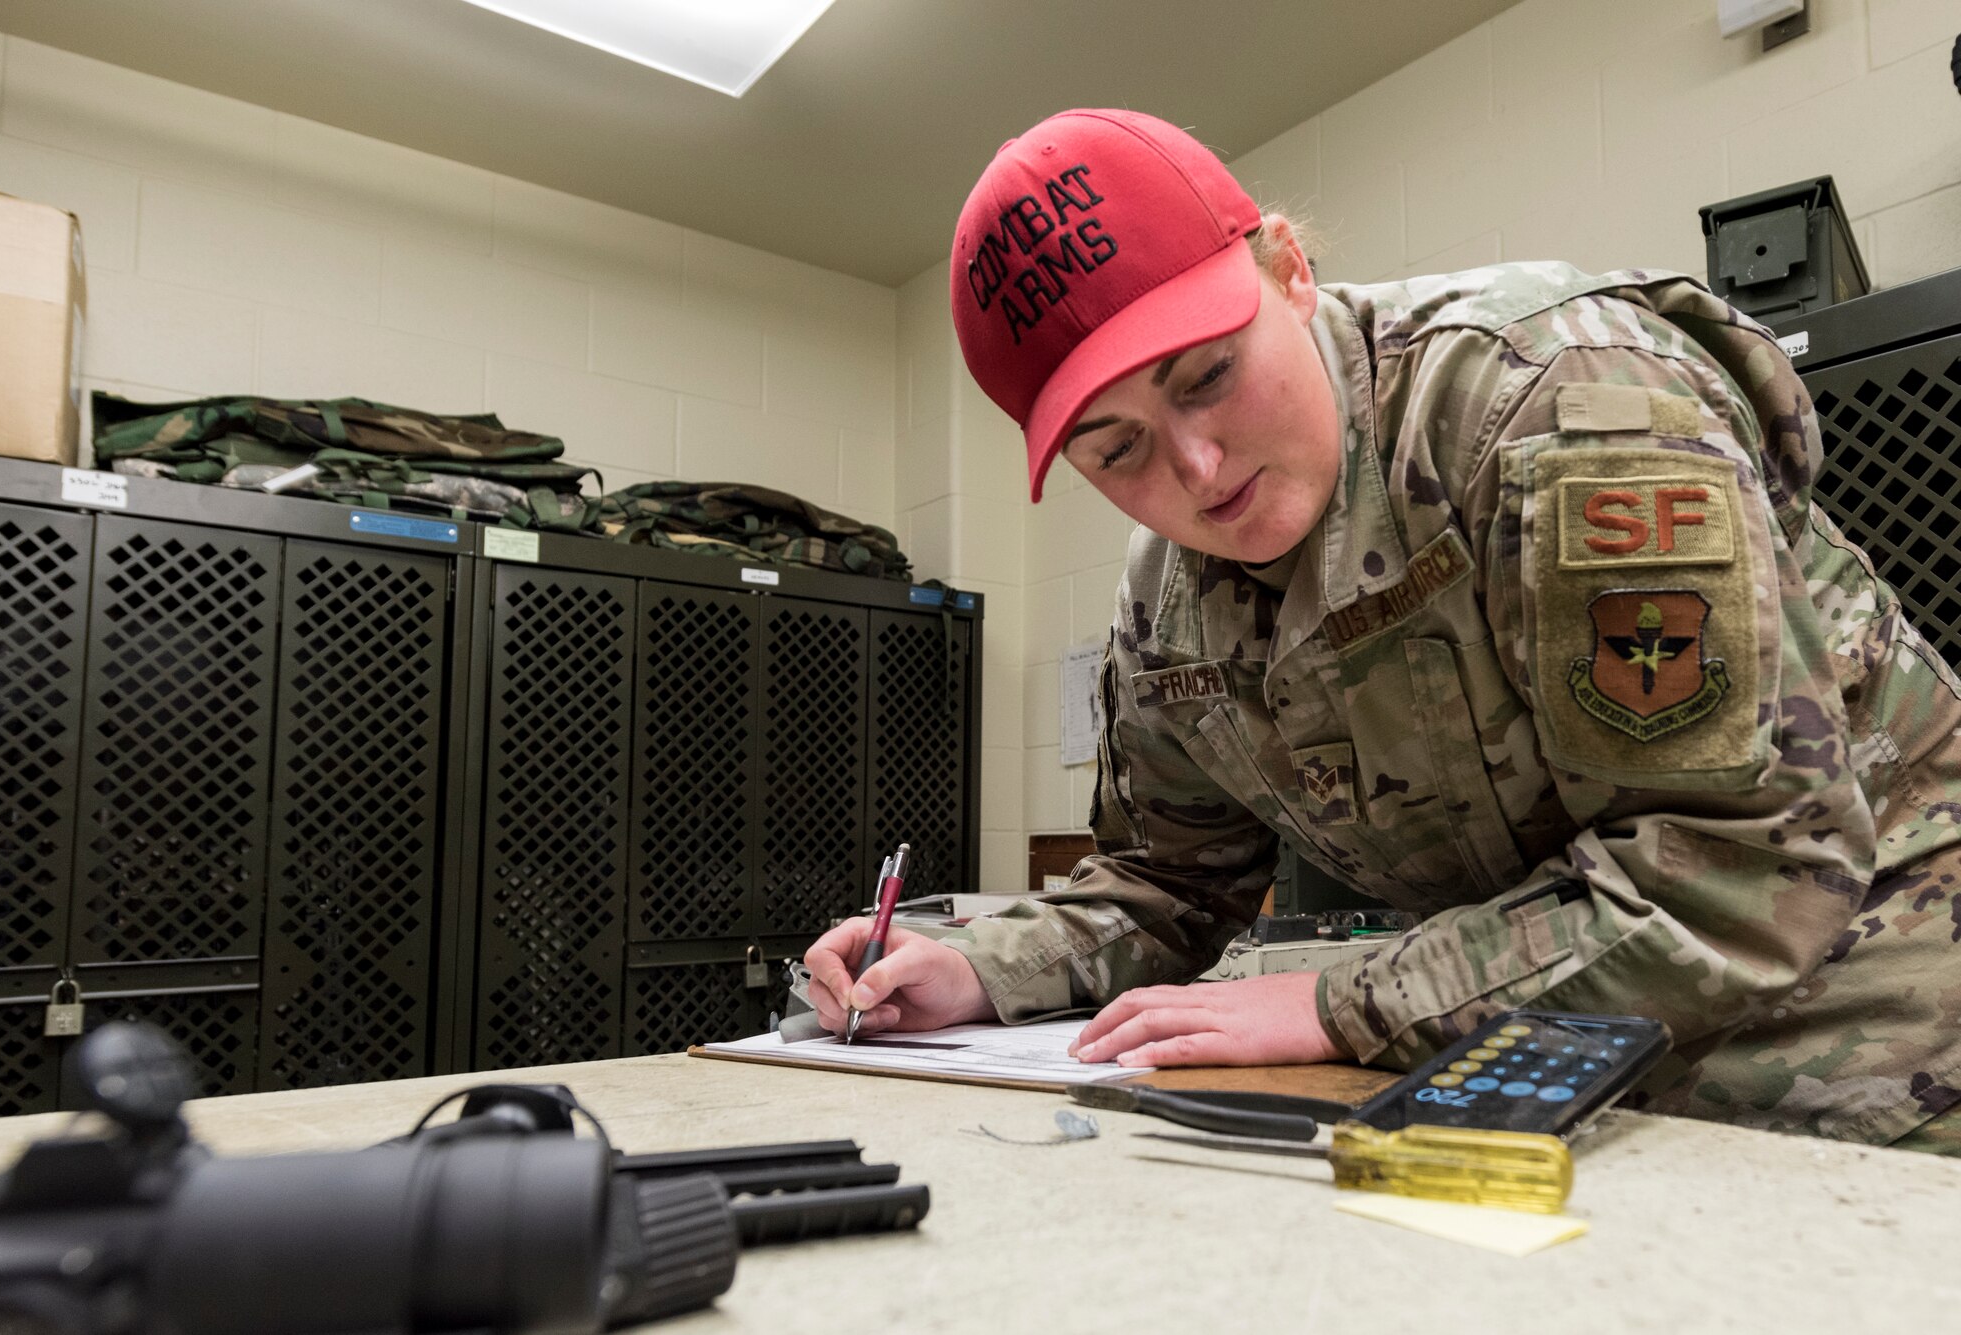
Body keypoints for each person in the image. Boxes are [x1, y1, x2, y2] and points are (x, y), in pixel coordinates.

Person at [804, 108, 1961, 1152]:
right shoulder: (1165, 599)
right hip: (1555, 1072)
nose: (1195, 471)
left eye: (1206, 375)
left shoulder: (1554, 405)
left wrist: (1333, 1000)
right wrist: (972, 968)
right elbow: (1166, 883)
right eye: (1114, 449)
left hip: (1874, 1047)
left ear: (1288, 270)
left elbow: (1734, 876)